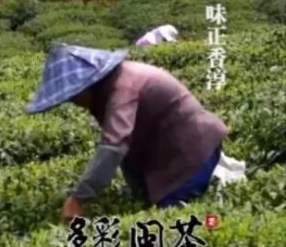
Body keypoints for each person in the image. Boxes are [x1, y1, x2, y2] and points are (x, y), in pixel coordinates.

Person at [27, 44, 240, 220]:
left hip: (193, 150)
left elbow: (113, 147)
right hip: (172, 150)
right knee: (151, 205)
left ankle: (220, 179)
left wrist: (78, 199)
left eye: (73, 96)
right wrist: (139, 191)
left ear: (86, 85)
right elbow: (126, 149)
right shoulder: (109, 89)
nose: (74, 103)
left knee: (171, 219)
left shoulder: (123, 89)